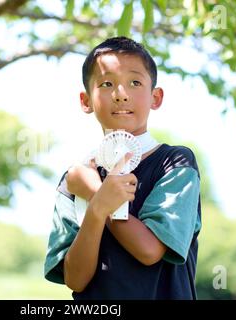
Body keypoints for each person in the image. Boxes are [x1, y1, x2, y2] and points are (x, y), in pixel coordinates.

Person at [44, 36, 202, 299]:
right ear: (86, 100)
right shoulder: (73, 180)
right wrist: (96, 209)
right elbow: (76, 279)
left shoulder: (175, 164)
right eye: (106, 84)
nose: (120, 94)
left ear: (156, 97)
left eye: (135, 82)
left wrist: (97, 194)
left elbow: (149, 251)